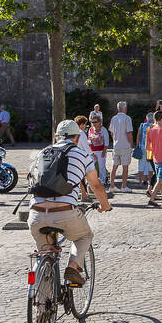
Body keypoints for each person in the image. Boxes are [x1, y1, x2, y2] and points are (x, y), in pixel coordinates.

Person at [29, 119, 111, 289]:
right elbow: (95, 185)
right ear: (77, 138)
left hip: (35, 214)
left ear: (57, 137)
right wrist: (105, 205)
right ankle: (72, 268)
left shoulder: (42, 153)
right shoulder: (81, 154)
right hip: (65, 213)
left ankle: (41, 309)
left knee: (45, 252)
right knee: (84, 236)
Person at [108, 101, 134, 192]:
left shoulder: (113, 118)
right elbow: (129, 133)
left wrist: (115, 140)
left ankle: (112, 186)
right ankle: (123, 186)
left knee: (114, 166)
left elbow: (111, 132)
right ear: (125, 108)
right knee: (125, 167)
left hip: (116, 145)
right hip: (125, 145)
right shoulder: (127, 118)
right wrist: (131, 145)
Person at [86, 115, 109, 185]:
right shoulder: (90, 129)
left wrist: (104, 152)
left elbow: (106, 142)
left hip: (101, 151)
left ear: (100, 122)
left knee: (101, 166)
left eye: (95, 122)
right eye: (92, 122)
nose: (94, 124)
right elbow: (88, 141)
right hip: (92, 151)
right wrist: (91, 140)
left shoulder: (104, 130)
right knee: (90, 166)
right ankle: (90, 180)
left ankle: (103, 180)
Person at [136, 110, 155, 189]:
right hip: (150, 148)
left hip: (142, 147)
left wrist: (138, 145)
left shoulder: (142, 125)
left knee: (141, 165)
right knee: (150, 166)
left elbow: (138, 136)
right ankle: (150, 183)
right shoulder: (154, 126)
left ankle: (141, 181)